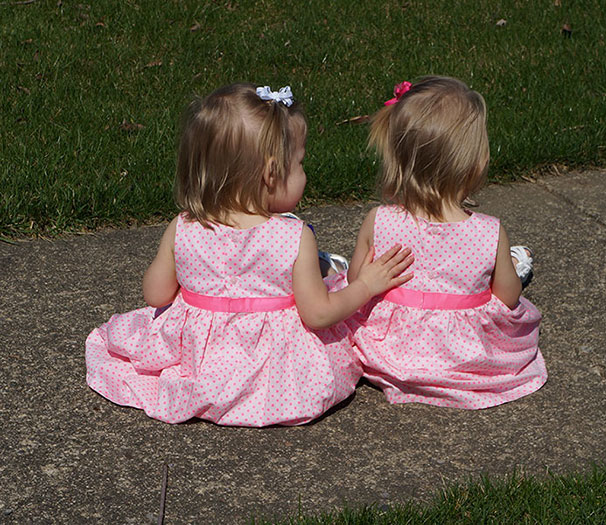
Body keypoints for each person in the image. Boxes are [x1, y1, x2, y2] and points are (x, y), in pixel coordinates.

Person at [85, 83, 413, 426]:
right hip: (271, 374)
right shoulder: (293, 236)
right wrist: (366, 286)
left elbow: (155, 294)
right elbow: (318, 314)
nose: (305, 174)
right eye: (300, 164)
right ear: (271, 174)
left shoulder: (183, 226)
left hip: (200, 360)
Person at [348, 76, 547, 409]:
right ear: (474, 164)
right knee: (509, 280)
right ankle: (516, 262)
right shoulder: (488, 232)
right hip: (463, 358)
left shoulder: (379, 220)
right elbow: (508, 296)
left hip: (392, 352)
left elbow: (356, 282)